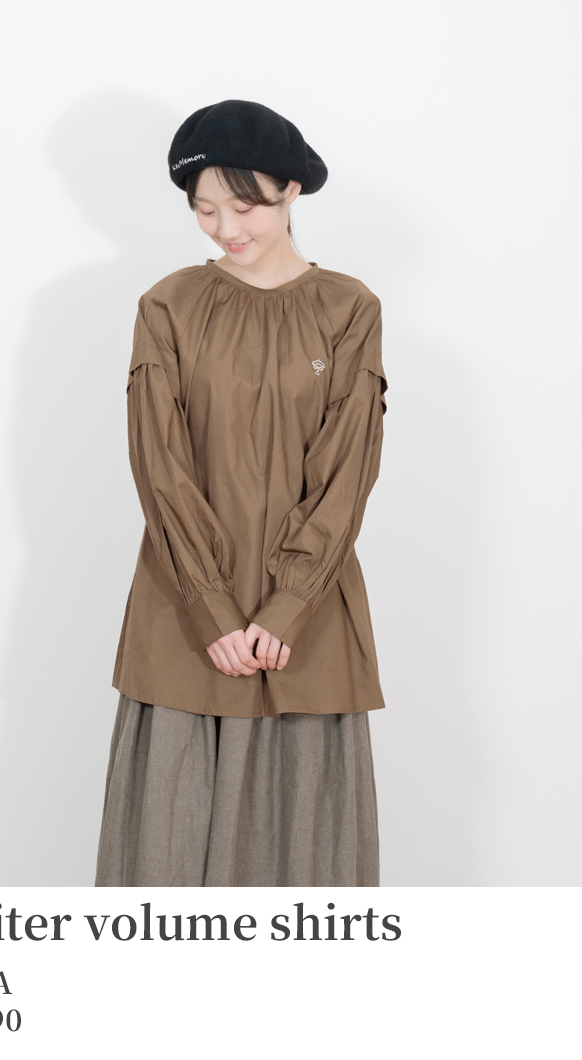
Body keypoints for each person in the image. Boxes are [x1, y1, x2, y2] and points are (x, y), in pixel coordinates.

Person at [95, 99, 388, 887]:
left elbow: (346, 471)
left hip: (306, 627)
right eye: (205, 210)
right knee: (164, 857)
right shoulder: (168, 306)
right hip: (184, 620)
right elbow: (159, 465)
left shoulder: (348, 310)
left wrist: (286, 606)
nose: (225, 228)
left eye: (244, 205)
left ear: (290, 189)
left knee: (302, 865)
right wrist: (211, 609)